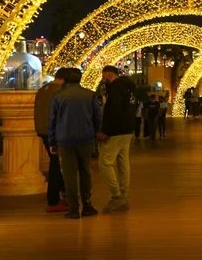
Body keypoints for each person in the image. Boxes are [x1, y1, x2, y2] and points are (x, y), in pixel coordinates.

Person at [48, 68, 100, 219]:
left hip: (64, 139)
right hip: (85, 138)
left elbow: (52, 120)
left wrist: (52, 141)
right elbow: (97, 117)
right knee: (85, 171)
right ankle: (87, 204)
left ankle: (74, 207)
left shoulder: (58, 96)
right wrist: (94, 133)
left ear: (65, 79)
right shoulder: (89, 95)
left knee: (69, 174)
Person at [98, 65, 136, 213]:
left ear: (109, 75)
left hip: (116, 131)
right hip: (127, 129)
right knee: (123, 162)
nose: (103, 80)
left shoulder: (115, 88)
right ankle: (123, 195)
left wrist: (106, 131)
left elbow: (114, 110)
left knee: (104, 162)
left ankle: (117, 196)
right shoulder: (129, 87)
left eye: (104, 77)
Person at [34, 67, 70, 212]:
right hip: (57, 133)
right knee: (57, 166)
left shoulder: (42, 90)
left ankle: (58, 197)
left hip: (43, 131)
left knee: (55, 164)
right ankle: (53, 200)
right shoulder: (60, 92)